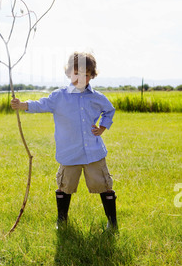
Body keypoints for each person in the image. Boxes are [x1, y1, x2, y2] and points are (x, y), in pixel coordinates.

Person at [11, 51, 118, 231]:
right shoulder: (59, 97)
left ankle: (112, 223)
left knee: (104, 185)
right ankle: (62, 221)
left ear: (92, 75)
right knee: (64, 187)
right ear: (68, 73)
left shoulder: (97, 97)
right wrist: (22, 105)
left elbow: (110, 111)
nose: (81, 78)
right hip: (69, 153)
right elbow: (41, 104)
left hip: (93, 152)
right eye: (77, 73)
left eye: (86, 75)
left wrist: (102, 127)